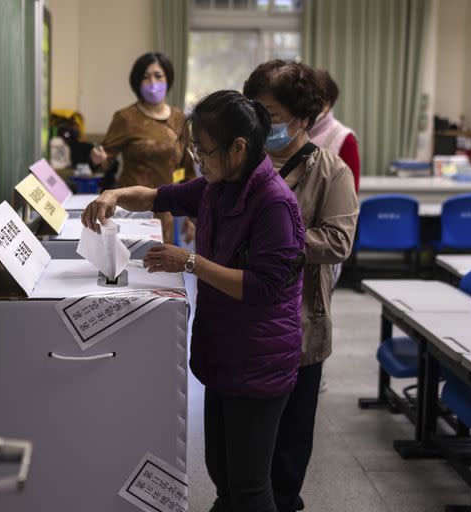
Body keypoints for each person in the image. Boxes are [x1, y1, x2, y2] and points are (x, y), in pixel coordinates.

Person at [83, 90, 306, 512]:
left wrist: (188, 261)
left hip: (259, 358)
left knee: (250, 485)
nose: (199, 159)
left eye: (205, 150)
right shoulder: (217, 187)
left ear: (238, 148)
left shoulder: (274, 204)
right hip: (226, 351)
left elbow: (263, 288)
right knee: (223, 473)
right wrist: (113, 195)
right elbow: (157, 196)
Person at [243, 60, 359, 512]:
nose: (261, 124)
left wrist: (275, 241)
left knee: (288, 451)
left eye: (270, 115)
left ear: (302, 118)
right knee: (242, 448)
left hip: (299, 326)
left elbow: (337, 241)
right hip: (244, 320)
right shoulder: (243, 161)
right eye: (256, 111)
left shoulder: (331, 171)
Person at [89, 52, 195, 244]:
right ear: (137, 82)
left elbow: (187, 170)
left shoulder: (179, 119)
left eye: (158, 75)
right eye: (145, 77)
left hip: (165, 210)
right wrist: (98, 158)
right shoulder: (125, 118)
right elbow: (105, 162)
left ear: (168, 78)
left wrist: (192, 213)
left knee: (160, 267)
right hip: (130, 208)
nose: (152, 82)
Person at [309, 69, 360, 191]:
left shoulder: (345, 138)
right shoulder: (293, 132)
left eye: (314, 100)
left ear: (327, 104)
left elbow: (350, 194)